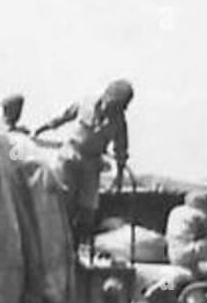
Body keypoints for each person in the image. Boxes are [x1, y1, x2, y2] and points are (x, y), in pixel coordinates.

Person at [35, 79, 135, 230]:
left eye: (119, 108)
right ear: (105, 97)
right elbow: (64, 116)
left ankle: (79, 243)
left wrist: (119, 176)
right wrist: (43, 128)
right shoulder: (85, 103)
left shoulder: (119, 121)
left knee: (88, 210)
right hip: (70, 156)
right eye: (113, 106)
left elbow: (121, 150)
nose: (113, 111)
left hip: (92, 163)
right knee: (65, 202)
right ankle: (62, 240)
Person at [166, 188, 207, 277]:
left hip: (180, 262)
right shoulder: (198, 215)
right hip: (189, 265)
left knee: (170, 283)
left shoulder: (177, 211)